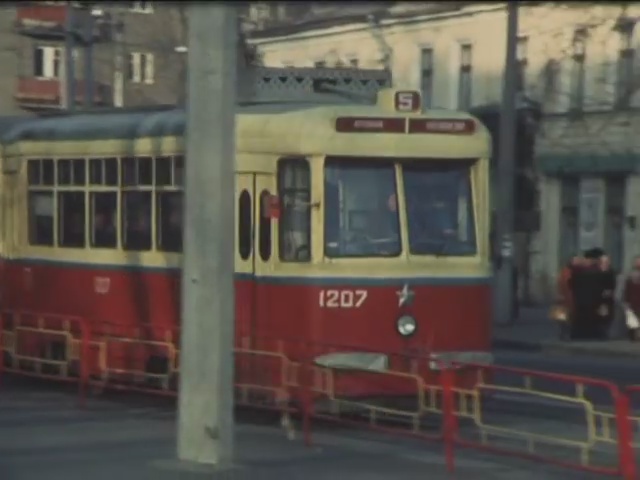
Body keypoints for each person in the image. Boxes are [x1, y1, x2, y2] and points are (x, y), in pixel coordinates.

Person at [622, 256, 640, 341]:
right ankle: (633, 337)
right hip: (632, 301)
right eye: (637, 262)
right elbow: (627, 289)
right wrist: (626, 301)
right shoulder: (630, 275)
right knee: (632, 320)